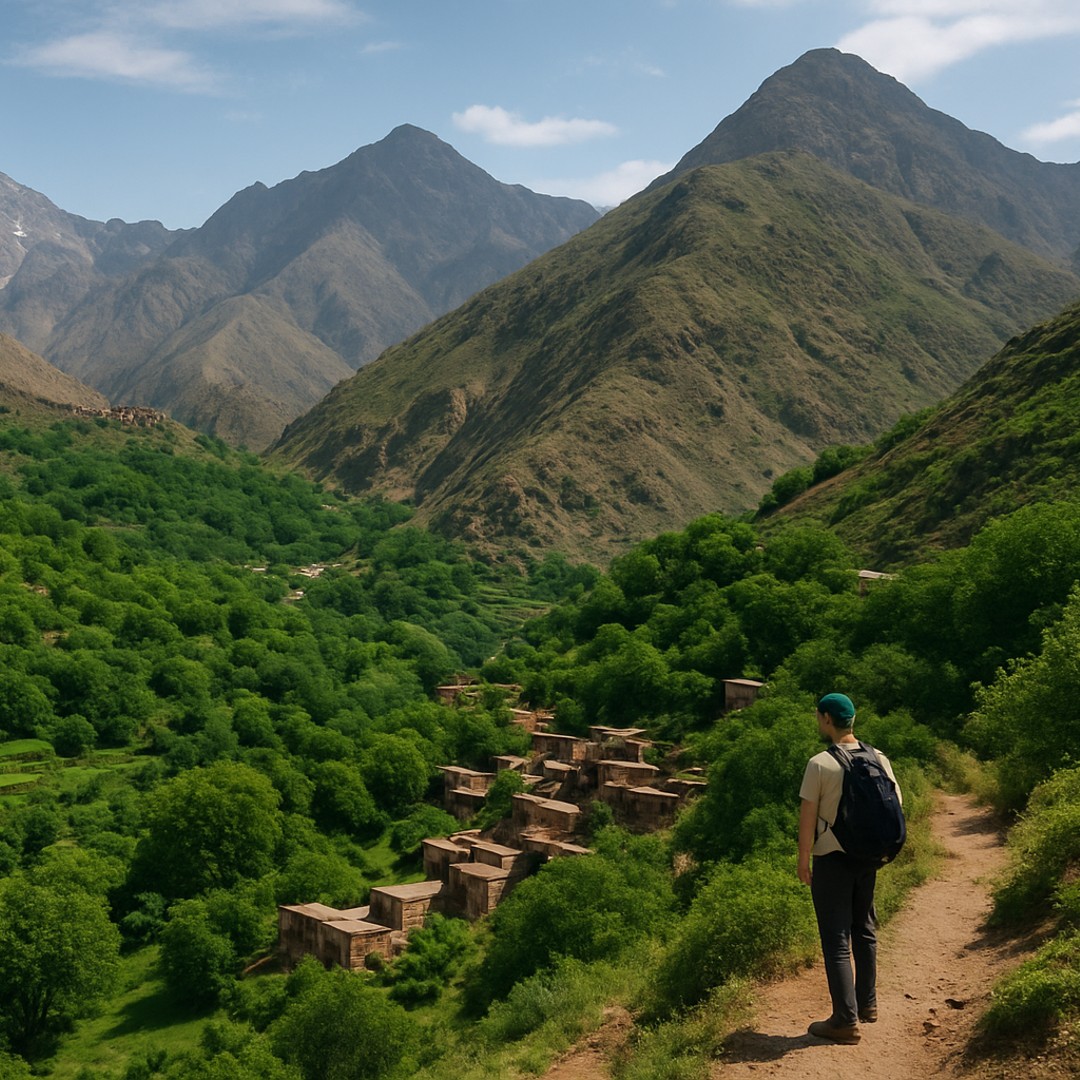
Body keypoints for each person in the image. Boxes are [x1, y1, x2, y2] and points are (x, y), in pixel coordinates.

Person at [797, 692, 901, 1045]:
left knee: (836, 937)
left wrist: (803, 860)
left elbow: (808, 818)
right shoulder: (879, 757)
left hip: (833, 857)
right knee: (864, 928)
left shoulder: (820, 764)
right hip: (869, 857)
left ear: (827, 719)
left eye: (819, 716)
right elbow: (896, 805)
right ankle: (867, 1004)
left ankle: (844, 1020)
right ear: (852, 719)